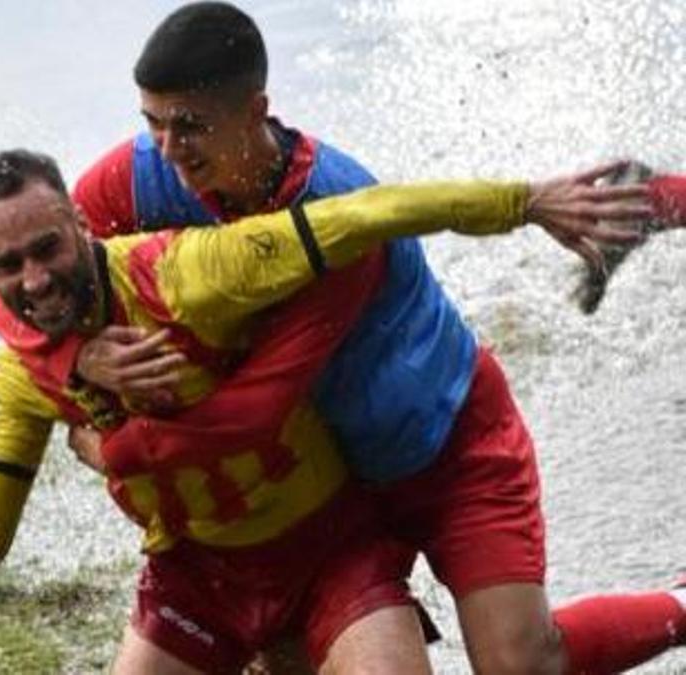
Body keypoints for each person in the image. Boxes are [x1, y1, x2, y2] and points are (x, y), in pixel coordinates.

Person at [0, 148, 659, 673]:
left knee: (519, 661)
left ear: (80, 222)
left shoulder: (191, 270)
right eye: (8, 266)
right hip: (197, 579)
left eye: (47, 249)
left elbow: (364, 216)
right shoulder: (22, 374)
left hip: (333, 553)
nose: (35, 280)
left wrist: (529, 201)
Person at [52, 3, 686, 673]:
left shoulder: (338, 216)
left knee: (523, 663)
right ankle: (640, 203)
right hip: (330, 480)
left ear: (255, 110)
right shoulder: (145, 169)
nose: (169, 150)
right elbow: (31, 271)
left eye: (190, 127)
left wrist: (124, 450)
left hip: (442, 449)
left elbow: (256, 411)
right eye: (153, 124)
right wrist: (75, 358)